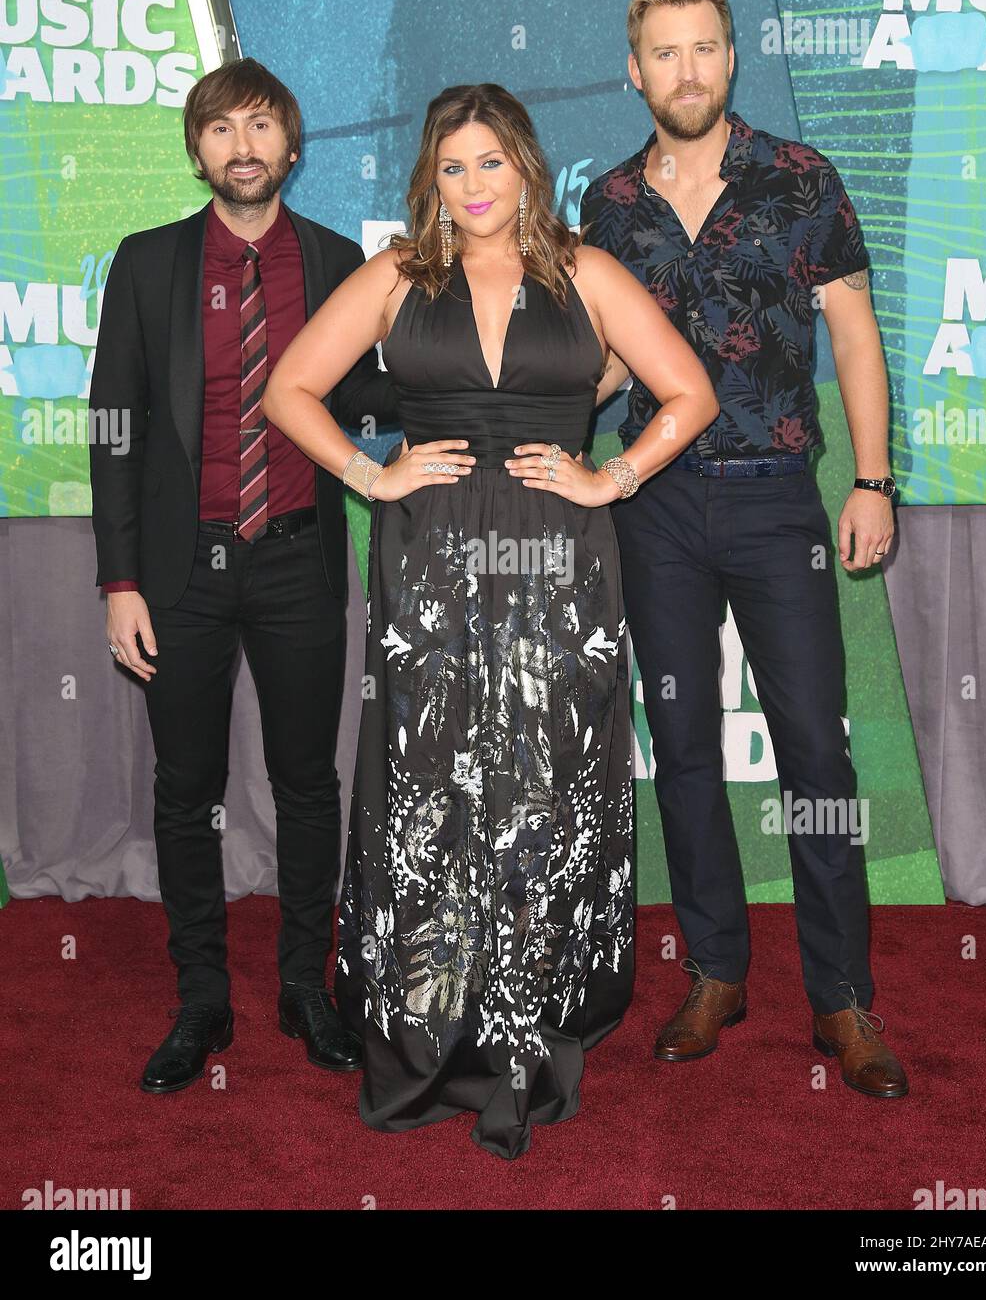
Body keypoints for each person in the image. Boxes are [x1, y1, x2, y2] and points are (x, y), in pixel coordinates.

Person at [262, 82, 719, 1158]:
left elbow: (687, 392)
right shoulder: (395, 278)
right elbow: (289, 389)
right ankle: (431, 1021)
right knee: (433, 787)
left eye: (489, 163)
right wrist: (366, 476)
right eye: (451, 167)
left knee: (545, 786)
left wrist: (614, 476)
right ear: (431, 177)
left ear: (525, 163)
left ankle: (532, 1025)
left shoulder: (585, 272)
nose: (471, 187)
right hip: (429, 563)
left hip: (561, 563)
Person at [580, 0, 910, 1098]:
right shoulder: (608, 201)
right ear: (635, 71)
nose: (685, 70)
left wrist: (871, 479)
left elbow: (854, 340)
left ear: (732, 58)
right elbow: (614, 358)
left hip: (778, 501)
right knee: (678, 750)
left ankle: (839, 997)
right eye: (663, 53)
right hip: (654, 504)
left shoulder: (799, 176)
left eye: (703, 49)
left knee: (814, 751)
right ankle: (715, 970)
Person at [88, 58, 398, 1094]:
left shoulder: (338, 258)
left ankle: (305, 990)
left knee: (310, 785)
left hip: (300, 559)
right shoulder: (146, 265)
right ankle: (199, 998)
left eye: (261, 126)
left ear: (292, 145)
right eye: (220, 129)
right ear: (197, 151)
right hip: (179, 572)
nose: (242, 145)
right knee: (187, 792)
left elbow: (362, 396)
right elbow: (114, 434)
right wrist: (118, 581)